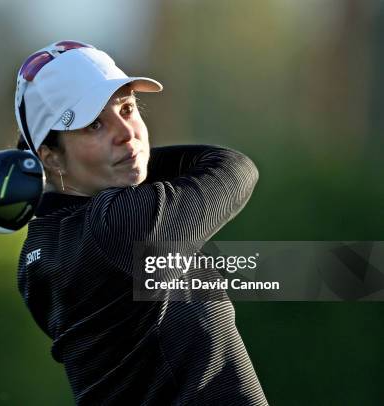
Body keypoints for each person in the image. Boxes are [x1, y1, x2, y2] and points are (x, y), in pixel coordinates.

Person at [14, 40, 268, 405]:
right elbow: (233, 168)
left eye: (128, 108)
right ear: (51, 158)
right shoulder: (120, 226)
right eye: (94, 125)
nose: (126, 132)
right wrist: (138, 157)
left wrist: (130, 157)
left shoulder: (37, 252)